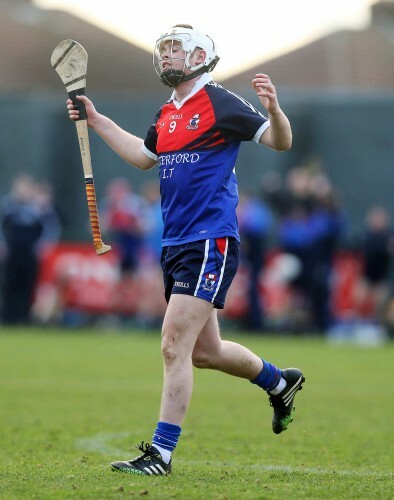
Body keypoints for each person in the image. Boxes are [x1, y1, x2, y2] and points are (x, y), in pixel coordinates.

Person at [67, 24, 305, 476]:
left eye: (176, 49)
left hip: (209, 240)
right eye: (165, 50)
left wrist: (274, 110)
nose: (168, 56)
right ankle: (280, 382)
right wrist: (96, 121)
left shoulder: (220, 101)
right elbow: (143, 155)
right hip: (175, 243)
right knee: (203, 352)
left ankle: (161, 454)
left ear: (200, 58)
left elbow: (281, 142)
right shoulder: (168, 112)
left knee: (174, 343)